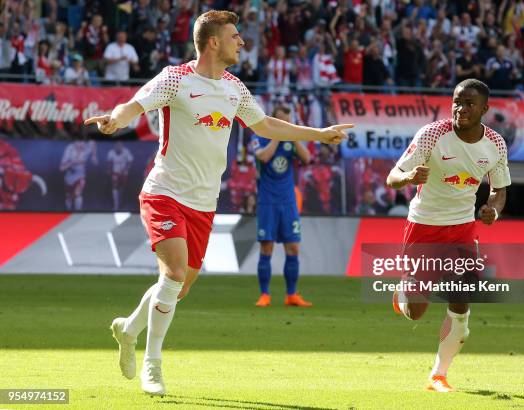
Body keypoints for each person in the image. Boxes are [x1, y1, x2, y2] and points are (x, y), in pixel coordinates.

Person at [84, 10, 352, 397]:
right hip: (165, 192)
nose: (241, 42)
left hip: (204, 203)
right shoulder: (175, 78)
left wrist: (319, 134)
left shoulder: (234, 88)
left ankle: (128, 330)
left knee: (178, 287)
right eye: (234, 36)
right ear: (212, 42)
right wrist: (115, 119)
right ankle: (153, 365)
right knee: (174, 274)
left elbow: (265, 125)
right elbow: (135, 105)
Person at [386, 79, 511, 393]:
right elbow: (392, 177)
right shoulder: (432, 135)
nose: (461, 109)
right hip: (424, 225)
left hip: (462, 229)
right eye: (457, 101)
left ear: (485, 109)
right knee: (416, 312)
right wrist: (409, 177)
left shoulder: (495, 144)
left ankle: (438, 375)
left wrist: (493, 211)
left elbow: (499, 190)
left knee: (461, 300)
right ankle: (404, 295)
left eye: (469, 104)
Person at [250, 105, 312, 308]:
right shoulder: (259, 137)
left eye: (288, 121)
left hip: (288, 200)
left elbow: (307, 158)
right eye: (281, 122)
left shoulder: (291, 141)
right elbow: (264, 157)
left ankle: (291, 295)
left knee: (293, 247)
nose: (285, 125)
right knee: (266, 246)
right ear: (273, 121)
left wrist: (292, 135)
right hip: (267, 200)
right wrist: (278, 135)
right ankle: (264, 294)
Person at [59, 140, 98, 211]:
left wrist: (94, 156)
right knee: (69, 197)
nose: (82, 144)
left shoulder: (88, 147)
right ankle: (68, 212)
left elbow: (93, 144)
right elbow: (61, 168)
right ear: (74, 143)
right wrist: (73, 162)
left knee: (78, 194)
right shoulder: (69, 149)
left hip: (80, 175)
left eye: (83, 142)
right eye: (79, 142)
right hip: (70, 175)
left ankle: (78, 213)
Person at [107, 142, 134, 210]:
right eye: (116, 146)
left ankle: (120, 202)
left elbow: (130, 161)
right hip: (115, 172)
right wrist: (109, 170)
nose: (118, 148)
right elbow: (109, 163)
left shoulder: (126, 152)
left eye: (119, 146)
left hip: (124, 173)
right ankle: (116, 205)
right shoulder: (111, 152)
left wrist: (126, 169)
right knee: (114, 187)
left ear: (122, 147)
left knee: (121, 189)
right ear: (115, 147)